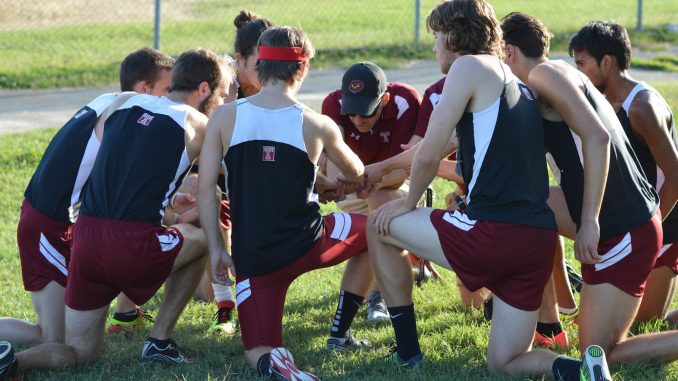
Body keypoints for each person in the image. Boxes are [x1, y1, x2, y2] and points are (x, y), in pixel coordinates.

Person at [366, 1, 610, 379]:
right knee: (505, 364)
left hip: (493, 234)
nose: (434, 47)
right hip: (537, 243)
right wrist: (380, 168)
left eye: (436, 37)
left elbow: (430, 154)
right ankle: (581, 371)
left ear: (453, 34)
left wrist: (407, 203)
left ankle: (408, 354)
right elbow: (443, 142)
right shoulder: (516, 81)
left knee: (378, 224)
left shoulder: (468, 66)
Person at [0, 48, 234, 378]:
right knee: (200, 236)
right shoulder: (201, 124)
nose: (224, 103)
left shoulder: (119, 103)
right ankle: (160, 341)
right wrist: (217, 246)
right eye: (224, 94)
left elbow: (117, 164)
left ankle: (13, 363)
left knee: (79, 351)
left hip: (86, 241)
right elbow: (215, 186)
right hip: (130, 244)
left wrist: (166, 203)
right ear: (205, 89)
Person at [501, 11, 678, 369]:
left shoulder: (546, 75)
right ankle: (556, 312)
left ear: (506, 52)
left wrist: (591, 220)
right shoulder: (549, 81)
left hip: (630, 225)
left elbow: (598, 139)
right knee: (530, 208)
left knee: (597, 357)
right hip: (626, 220)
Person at [199, 26, 373, 380]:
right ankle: (341, 331)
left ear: (259, 68)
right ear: (303, 69)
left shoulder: (224, 115)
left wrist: (217, 249)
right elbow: (356, 171)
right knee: (378, 231)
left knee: (259, 350)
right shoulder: (316, 123)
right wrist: (331, 183)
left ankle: (282, 367)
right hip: (309, 243)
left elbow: (207, 191)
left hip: (255, 257)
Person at [0, 47, 173, 350]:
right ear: (144, 89)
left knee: (69, 332)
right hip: (47, 226)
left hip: (58, 222)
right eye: (167, 90)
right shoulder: (123, 115)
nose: (171, 98)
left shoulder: (105, 101)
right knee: (53, 338)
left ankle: (127, 312)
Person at [569, 20, 678, 324]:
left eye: (581, 63)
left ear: (607, 62)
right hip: (626, 223)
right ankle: (563, 303)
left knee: (645, 325)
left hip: (663, 224)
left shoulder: (641, 107)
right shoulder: (602, 102)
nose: (577, 73)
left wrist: (650, 232)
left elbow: (676, 175)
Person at [322, 61, 420, 321]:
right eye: (352, 112)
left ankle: (378, 297)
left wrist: (370, 180)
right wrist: (356, 180)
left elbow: (405, 169)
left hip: (391, 184)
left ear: (384, 99)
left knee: (378, 211)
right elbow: (334, 168)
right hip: (353, 186)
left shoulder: (405, 101)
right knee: (375, 228)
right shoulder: (332, 103)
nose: (357, 120)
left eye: (366, 113)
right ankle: (365, 302)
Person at [200, 9, 276, 336]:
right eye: (263, 62)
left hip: (249, 172)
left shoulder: (274, 79)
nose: (271, 70)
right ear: (240, 60)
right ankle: (224, 305)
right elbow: (205, 148)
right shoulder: (225, 84)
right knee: (222, 220)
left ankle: (248, 293)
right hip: (209, 170)